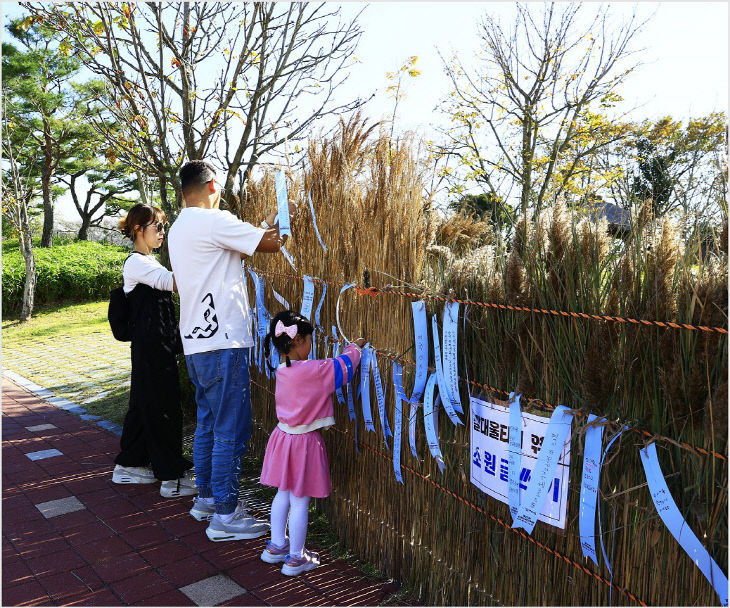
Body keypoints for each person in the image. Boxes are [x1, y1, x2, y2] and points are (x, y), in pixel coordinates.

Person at [168, 160, 290, 541]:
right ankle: (226, 515)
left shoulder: (179, 227)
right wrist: (285, 221)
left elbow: (245, 242)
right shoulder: (212, 220)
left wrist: (265, 221)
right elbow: (271, 242)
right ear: (212, 186)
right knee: (229, 430)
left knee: (208, 424)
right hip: (224, 342)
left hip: (197, 344)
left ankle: (205, 499)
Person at [258, 310, 365, 576]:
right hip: (304, 443)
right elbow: (343, 368)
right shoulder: (314, 370)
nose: (310, 346)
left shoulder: (282, 369)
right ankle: (296, 558)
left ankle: (276, 546)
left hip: (282, 438)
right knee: (300, 500)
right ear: (297, 341)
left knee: (282, 493)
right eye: (308, 341)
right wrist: (355, 347)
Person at [112, 203, 196, 499]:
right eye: (157, 227)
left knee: (144, 405)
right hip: (152, 347)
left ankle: (129, 465)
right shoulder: (137, 262)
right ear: (138, 230)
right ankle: (171, 477)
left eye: (163, 226)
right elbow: (172, 283)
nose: (162, 232)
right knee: (163, 408)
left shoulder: (148, 260)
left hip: (153, 345)